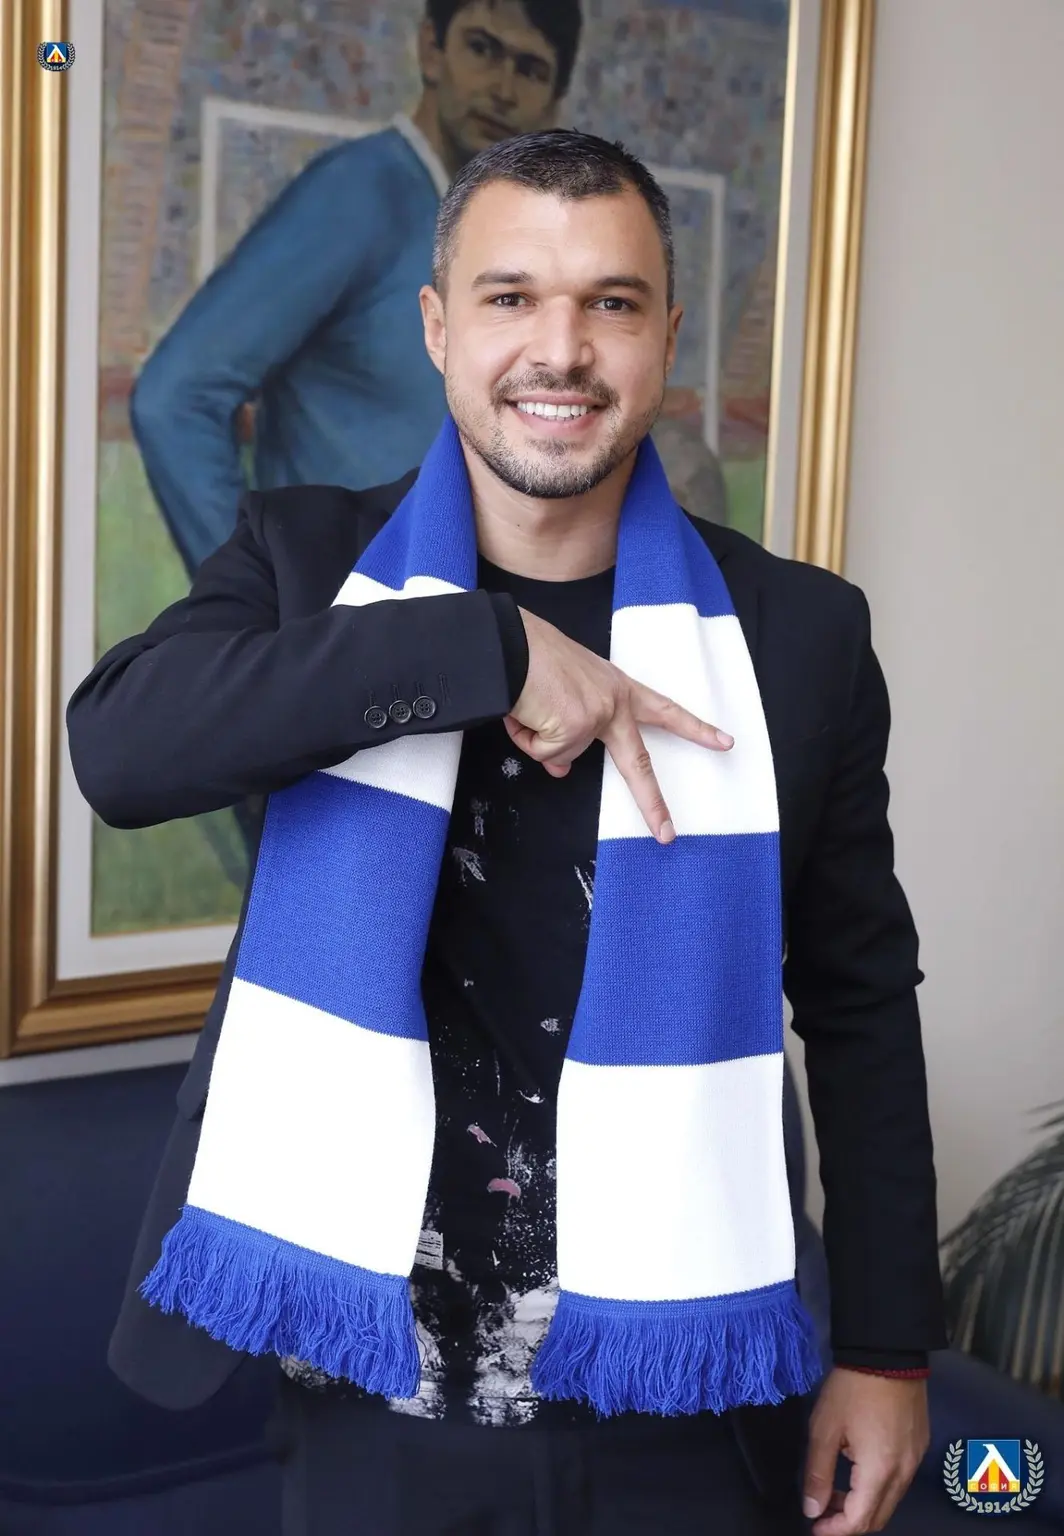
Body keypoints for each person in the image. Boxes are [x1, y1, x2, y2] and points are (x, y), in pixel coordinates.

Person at [68, 130, 947, 1536]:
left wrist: (889, 1349)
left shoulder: (798, 633)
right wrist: (483, 646)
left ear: (666, 337)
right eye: (510, 297)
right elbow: (121, 749)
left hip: (686, 1382)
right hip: (372, 1381)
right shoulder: (308, 561)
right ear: (436, 327)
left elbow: (859, 1006)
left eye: (611, 302)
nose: (562, 349)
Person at [131, 0, 582, 576]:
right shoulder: (358, 193)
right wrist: (257, 602)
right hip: (342, 616)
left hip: (457, 612)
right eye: (482, 48)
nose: (502, 88)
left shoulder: (501, 234)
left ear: (554, 101)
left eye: (530, 69)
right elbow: (175, 399)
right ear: (431, 50)